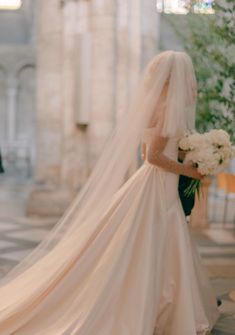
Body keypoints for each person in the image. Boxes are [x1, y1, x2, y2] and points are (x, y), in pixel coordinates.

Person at [0, 51, 219, 334]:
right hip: (157, 183)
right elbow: (152, 156)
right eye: (187, 76)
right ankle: (155, 308)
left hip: (154, 183)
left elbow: (147, 150)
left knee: (155, 242)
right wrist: (190, 170)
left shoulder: (158, 105)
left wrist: (188, 154)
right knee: (153, 241)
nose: (191, 82)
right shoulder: (168, 108)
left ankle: (158, 307)